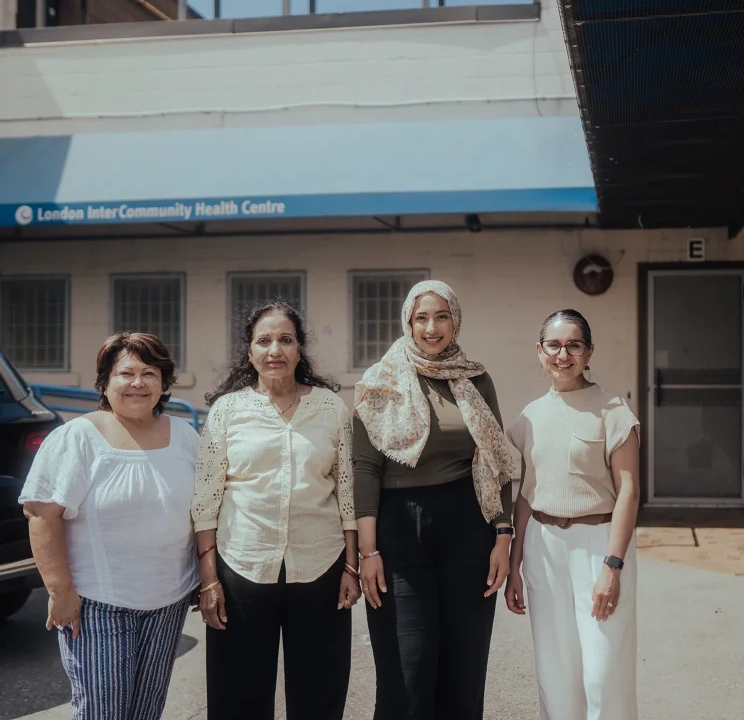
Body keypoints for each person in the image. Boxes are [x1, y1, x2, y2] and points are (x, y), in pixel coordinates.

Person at [353, 280, 517, 720]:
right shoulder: (379, 380)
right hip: (399, 530)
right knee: (408, 664)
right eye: (421, 317)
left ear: (455, 321)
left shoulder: (475, 378)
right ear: (408, 321)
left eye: (441, 315)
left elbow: (495, 459)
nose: (432, 327)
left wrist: (503, 536)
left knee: (464, 663)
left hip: (469, 524)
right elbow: (365, 468)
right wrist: (367, 551)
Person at [191, 300, 360, 720]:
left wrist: (351, 567)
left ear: (300, 349)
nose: (275, 350)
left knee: (319, 694)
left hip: (321, 566)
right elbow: (205, 500)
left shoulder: (330, 408)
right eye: (263, 341)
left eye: (285, 340)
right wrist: (209, 579)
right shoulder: (228, 411)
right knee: (238, 698)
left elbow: (347, 493)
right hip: (242, 568)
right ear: (249, 352)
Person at [20, 332, 199, 720]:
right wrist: (59, 590)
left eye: (149, 373)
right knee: (103, 712)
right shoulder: (77, 437)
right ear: (105, 381)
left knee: (145, 712)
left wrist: (205, 578)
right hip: (97, 604)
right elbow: (40, 513)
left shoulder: (185, 436)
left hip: (168, 602)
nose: (138, 383)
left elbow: (204, 511)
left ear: (164, 383)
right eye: (126, 373)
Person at [504, 309, 641, 720]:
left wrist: (612, 567)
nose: (563, 355)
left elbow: (629, 492)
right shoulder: (530, 415)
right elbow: (527, 494)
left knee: (603, 672)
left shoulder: (613, 412)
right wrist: (515, 566)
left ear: (588, 352)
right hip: (542, 548)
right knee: (555, 671)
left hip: (599, 546)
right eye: (554, 345)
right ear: (539, 350)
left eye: (573, 345)